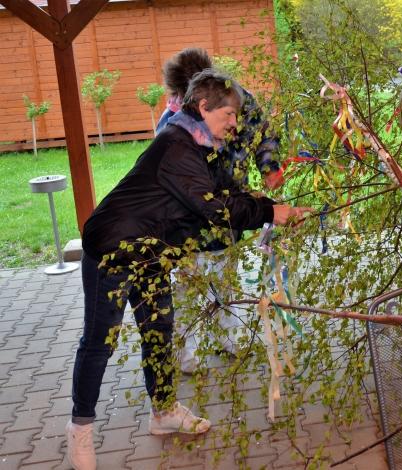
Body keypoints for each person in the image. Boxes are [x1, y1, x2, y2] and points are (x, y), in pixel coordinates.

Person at [66, 70, 309, 470]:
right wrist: (270, 212)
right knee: (99, 341)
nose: (235, 122)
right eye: (230, 113)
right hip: (113, 248)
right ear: (204, 107)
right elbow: (214, 208)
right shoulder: (177, 146)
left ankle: (163, 415)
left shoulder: (201, 145)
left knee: (159, 331)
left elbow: (222, 193)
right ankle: (80, 431)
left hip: (151, 251)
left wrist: (264, 200)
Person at [157, 48, 284, 373]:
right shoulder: (171, 120)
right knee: (189, 285)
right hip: (189, 220)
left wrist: (269, 166)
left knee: (225, 279)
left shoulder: (239, 100)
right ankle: (188, 353)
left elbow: (263, 132)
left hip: (229, 213)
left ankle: (230, 338)